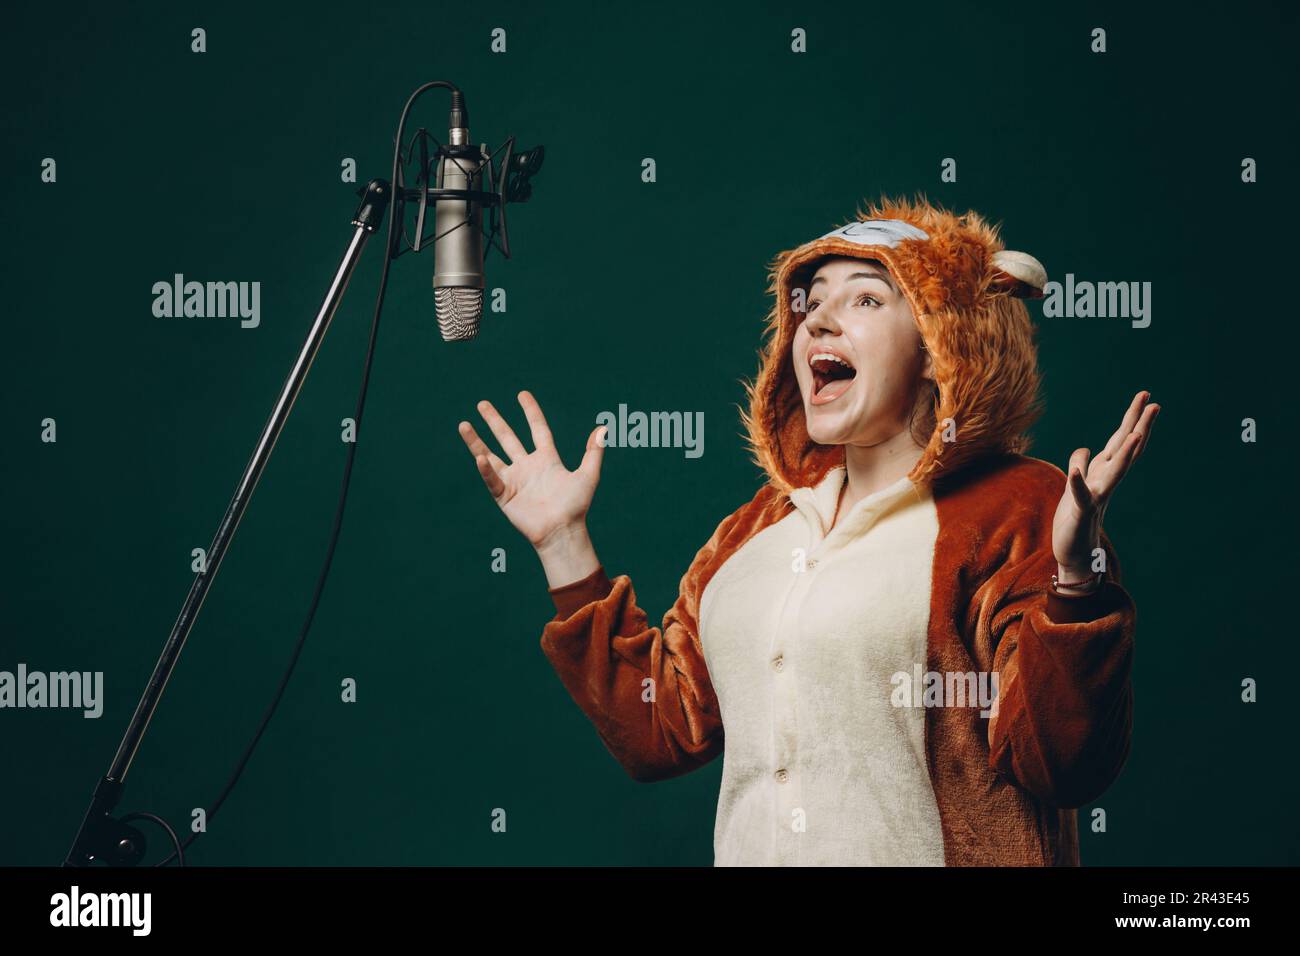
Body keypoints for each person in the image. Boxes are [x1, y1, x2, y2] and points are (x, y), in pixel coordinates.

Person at [456, 194, 1159, 866]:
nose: (819, 319)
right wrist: (562, 545)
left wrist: (1076, 583)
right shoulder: (756, 527)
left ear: (941, 345)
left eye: (864, 298)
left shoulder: (1019, 508)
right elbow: (660, 732)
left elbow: (1064, 764)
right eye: (812, 300)